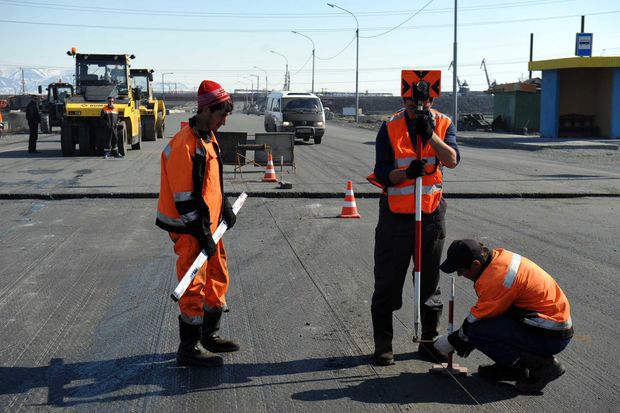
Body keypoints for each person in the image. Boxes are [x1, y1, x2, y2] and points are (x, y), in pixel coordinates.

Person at [367, 76, 460, 366]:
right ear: (403, 99)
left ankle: (428, 341)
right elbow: (382, 173)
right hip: (395, 218)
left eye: (422, 102)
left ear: (432, 99)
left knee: (429, 284)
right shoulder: (390, 126)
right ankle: (383, 344)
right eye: (410, 103)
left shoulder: (444, 123)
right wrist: (407, 174)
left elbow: (453, 159)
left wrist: (430, 136)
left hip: (430, 216)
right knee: (387, 283)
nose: (416, 107)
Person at [156, 80, 237, 368]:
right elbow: (183, 198)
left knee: (217, 276)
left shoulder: (208, 136)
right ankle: (189, 348)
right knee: (194, 283)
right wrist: (201, 232)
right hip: (191, 229)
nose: (224, 122)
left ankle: (209, 334)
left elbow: (213, 180)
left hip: (211, 225)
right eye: (221, 116)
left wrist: (224, 206)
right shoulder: (184, 145)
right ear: (205, 111)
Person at [434, 239, 573, 394]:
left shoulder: (497, 279)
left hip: (550, 337)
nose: (459, 275)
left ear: (476, 264)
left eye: (460, 270)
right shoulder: (498, 258)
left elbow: (475, 320)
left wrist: (453, 341)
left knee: (478, 331)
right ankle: (510, 365)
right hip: (547, 324)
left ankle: (541, 367)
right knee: (483, 327)